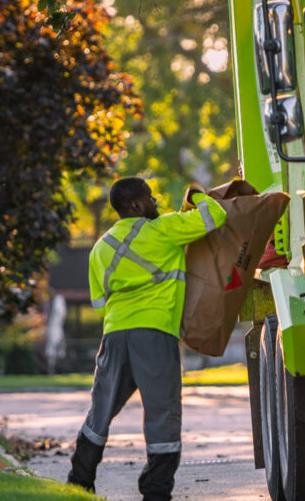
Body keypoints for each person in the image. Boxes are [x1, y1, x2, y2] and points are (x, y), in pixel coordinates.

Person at [67, 176, 227, 501]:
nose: (156, 203)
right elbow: (216, 217)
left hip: (114, 336)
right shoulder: (163, 229)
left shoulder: (100, 248)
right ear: (137, 205)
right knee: (162, 413)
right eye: (151, 198)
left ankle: (79, 481)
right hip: (155, 334)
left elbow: (99, 305)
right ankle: (155, 492)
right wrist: (198, 195)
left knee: (101, 410)